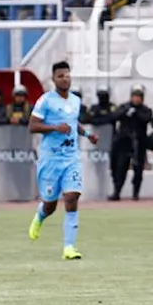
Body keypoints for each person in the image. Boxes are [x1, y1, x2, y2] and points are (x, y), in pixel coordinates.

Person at [28, 61, 100, 260]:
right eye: (60, 76)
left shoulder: (75, 100)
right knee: (50, 204)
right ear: (53, 79)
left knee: (72, 197)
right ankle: (40, 215)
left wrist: (87, 134)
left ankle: (69, 247)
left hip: (71, 159)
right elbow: (32, 126)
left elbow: (73, 123)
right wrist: (54, 128)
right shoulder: (45, 101)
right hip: (50, 160)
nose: (65, 79)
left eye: (67, 75)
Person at [109, 84, 153, 201]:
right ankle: (117, 192)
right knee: (120, 168)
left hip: (139, 142)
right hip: (124, 143)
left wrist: (136, 113)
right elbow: (114, 116)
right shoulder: (124, 107)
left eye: (139, 96)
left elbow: (147, 118)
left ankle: (135, 193)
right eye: (134, 96)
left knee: (138, 169)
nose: (136, 99)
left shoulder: (145, 109)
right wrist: (126, 111)